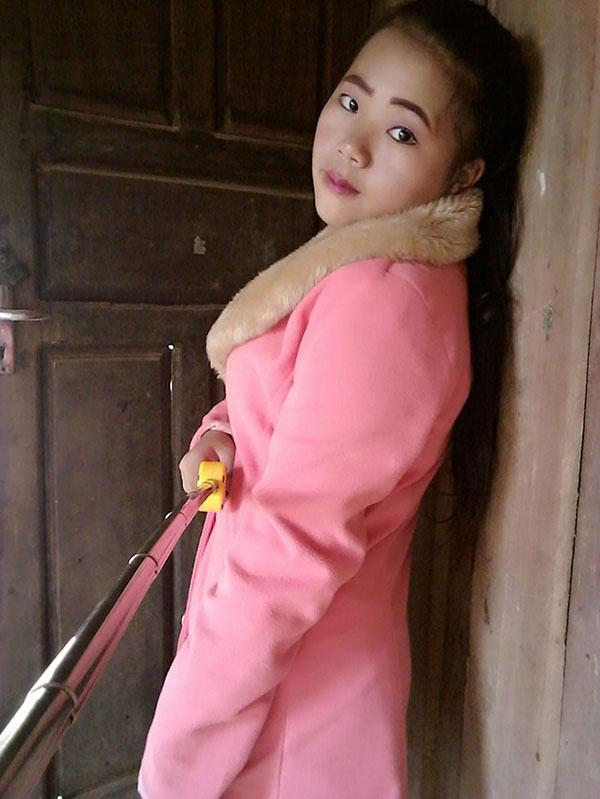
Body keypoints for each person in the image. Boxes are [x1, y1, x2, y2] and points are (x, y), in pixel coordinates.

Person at [138, 2, 530, 797]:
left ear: (464, 175)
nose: (352, 143)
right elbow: (291, 403)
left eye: (402, 132)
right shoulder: (360, 266)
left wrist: (175, 758)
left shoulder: (388, 301)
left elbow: (287, 553)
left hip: (289, 705)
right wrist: (223, 431)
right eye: (351, 100)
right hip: (274, 674)